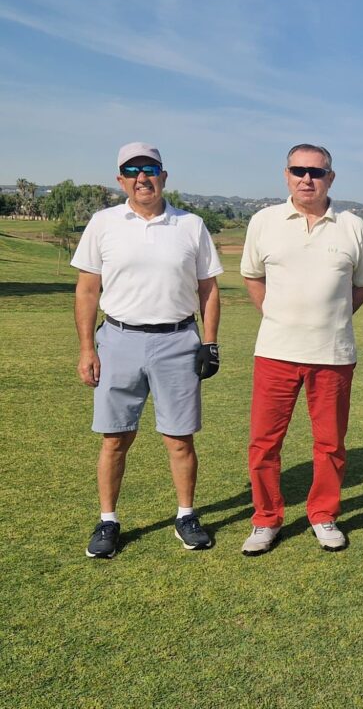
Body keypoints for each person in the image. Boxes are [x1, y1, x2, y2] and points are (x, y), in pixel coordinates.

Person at [73, 142, 222, 558]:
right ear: (120, 180)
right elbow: (87, 291)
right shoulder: (103, 223)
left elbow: (208, 289)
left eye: (150, 169)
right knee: (115, 438)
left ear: (163, 176)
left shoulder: (191, 225)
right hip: (118, 339)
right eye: (132, 171)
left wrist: (209, 342)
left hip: (178, 340)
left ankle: (186, 515)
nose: (142, 178)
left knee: (180, 439)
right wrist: (87, 349)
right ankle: (107, 521)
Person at [239, 144, 363, 555]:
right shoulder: (264, 221)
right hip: (275, 352)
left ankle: (323, 514)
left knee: (330, 443)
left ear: (330, 178)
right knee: (264, 443)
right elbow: (252, 276)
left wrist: (331, 318)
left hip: (332, 355)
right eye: (299, 171)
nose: (307, 179)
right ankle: (266, 518)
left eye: (316, 172)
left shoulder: (352, 226)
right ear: (287, 175)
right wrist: (276, 315)